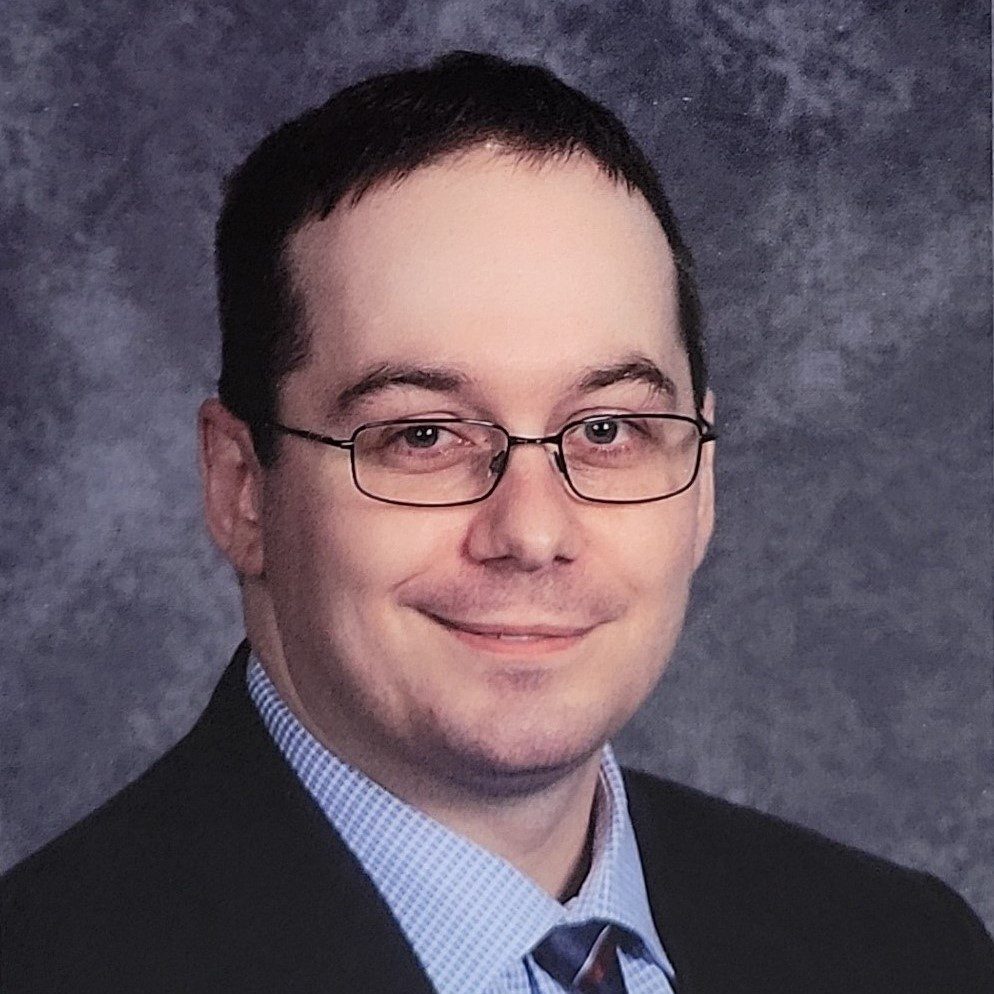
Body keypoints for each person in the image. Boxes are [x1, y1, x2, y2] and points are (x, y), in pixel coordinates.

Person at [2, 51, 991, 994]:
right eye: (423, 434)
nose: (530, 531)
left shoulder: (906, 951)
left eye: (606, 427)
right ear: (241, 488)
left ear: (701, 480)